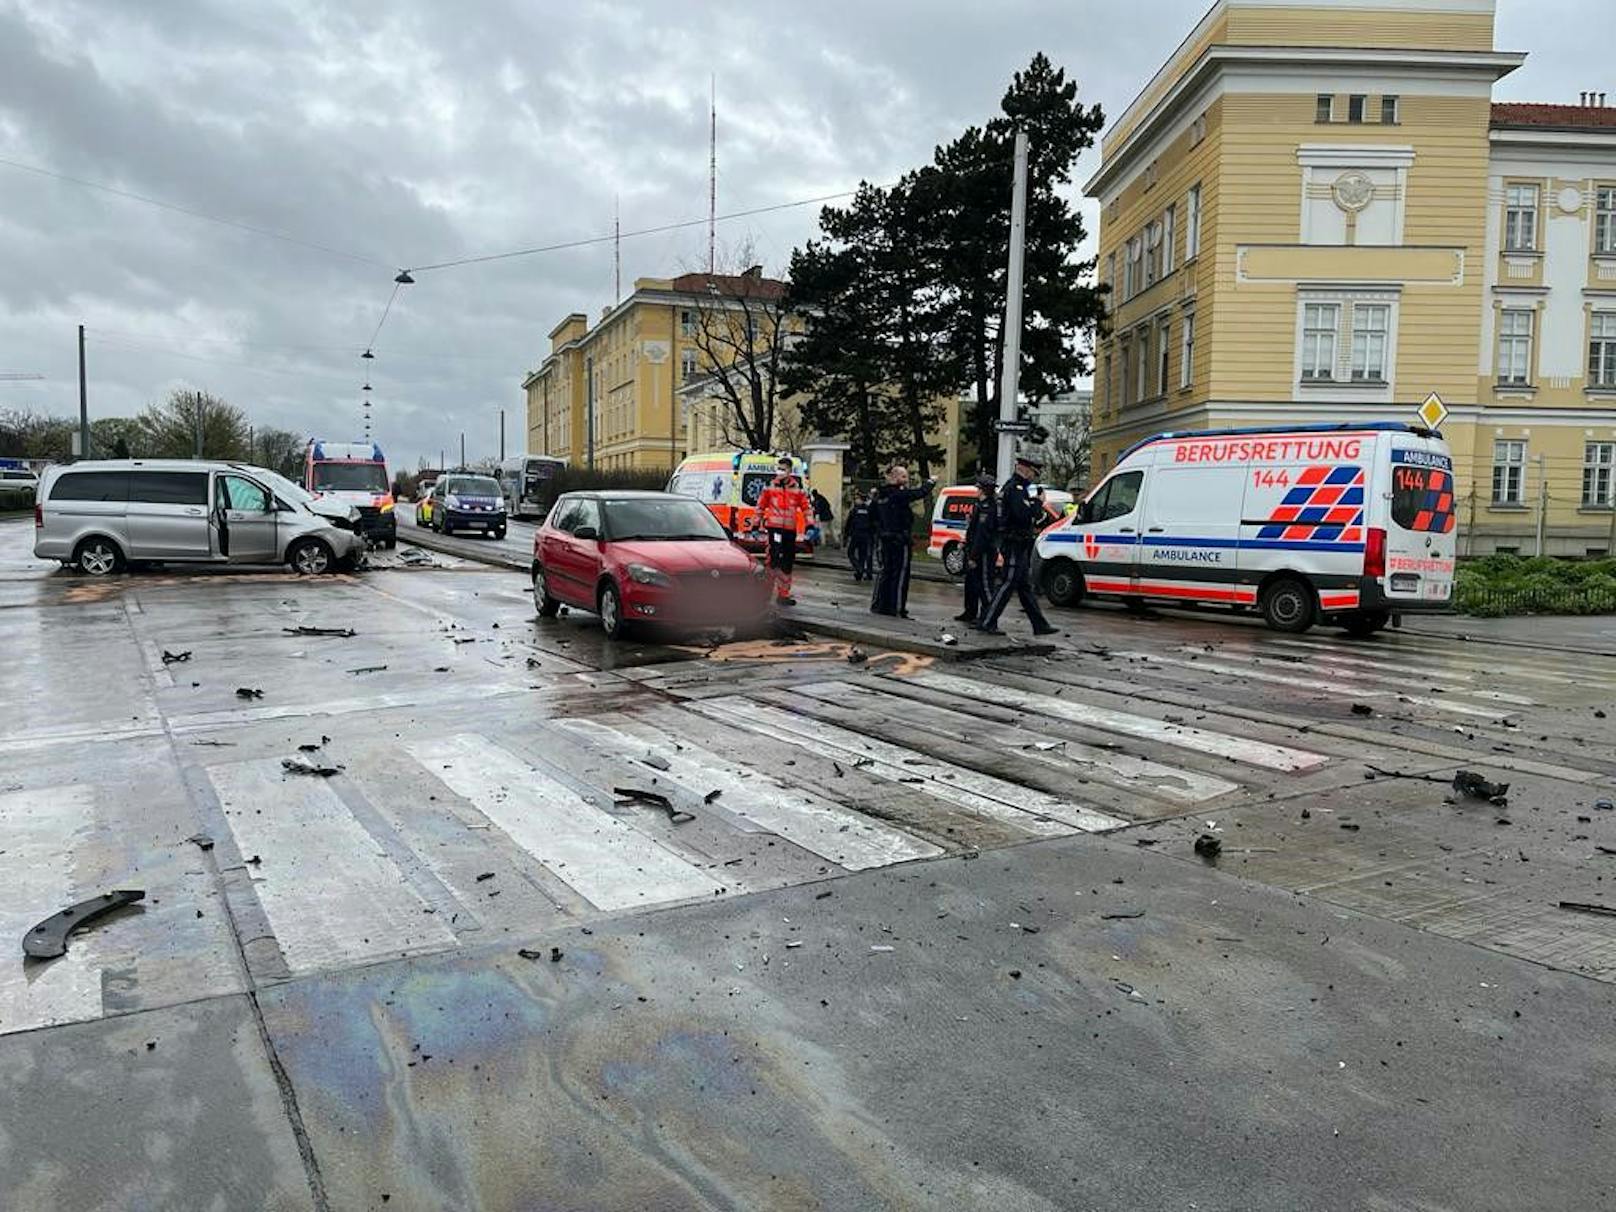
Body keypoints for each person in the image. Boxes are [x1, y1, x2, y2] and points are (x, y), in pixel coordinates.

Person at [977, 454, 1059, 637]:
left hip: (1018, 543)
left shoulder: (1018, 489)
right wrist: (1038, 503)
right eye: (1032, 473)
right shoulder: (1015, 488)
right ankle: (988, 621)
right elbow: (1022, 516)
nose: (1033, 477)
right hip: (1014, 542)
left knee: (1024, 587)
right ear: (1024, 469)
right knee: (1008, 583)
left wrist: (1032, 504)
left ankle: (1040, 624)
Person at [869, 463, 935, 617]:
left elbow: (872, 517)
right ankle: (897, 608)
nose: (906, 479)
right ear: (895, 477)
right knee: (900, 575)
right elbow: (919, 493)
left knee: (885, 572)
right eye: (904, 476)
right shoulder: (898, 494)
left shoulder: (880, 496)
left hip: (885, 539)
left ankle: (880, 605)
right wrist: (931, 482)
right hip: (900, 539)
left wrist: (881, 532)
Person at [756, 456, 810, 606]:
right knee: (772, 561)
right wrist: (755, 524)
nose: (780, 472)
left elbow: (806, 507)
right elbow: (760, 506)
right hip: (774, 530)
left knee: (787, 563)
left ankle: (783, 595)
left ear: (789, 471)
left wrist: (810, 525)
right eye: (778, 469)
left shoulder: (797, 489)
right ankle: (765, 594)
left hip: (789, 531)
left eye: (783, 469)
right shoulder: (770, 487)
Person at [957, 473, 1000, 625]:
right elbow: (974, 531)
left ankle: (988, 618)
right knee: (972, 584)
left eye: (978, 488)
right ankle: (970, 612)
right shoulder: (980, 505)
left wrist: (973, 557)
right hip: (975, 550)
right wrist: (966, 542)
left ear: (982, 490)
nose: (976, 490)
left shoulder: (988, 508)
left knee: (985, 586)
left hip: (984, 553)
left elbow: (982, 536)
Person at [844, 489, 875, 581]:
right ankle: (859, 572)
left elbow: (848, 524)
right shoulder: (869, 510)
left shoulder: (855, 510)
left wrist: (846, 536)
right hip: (866, 535)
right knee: (862, 555)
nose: (855, 500)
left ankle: (859, 568)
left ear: (861, 499)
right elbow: (873, 523)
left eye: (857, 498)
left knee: (850, 552)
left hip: (856, 534)